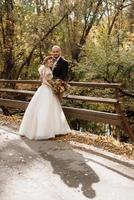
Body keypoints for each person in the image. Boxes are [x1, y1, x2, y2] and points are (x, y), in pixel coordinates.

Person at [19, 55, 71, 140]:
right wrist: (52, 86)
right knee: (45, 108)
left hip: (44, 89)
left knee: (50, 108)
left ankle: (54, 129)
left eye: (52, 62)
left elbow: (45, 80)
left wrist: (54, 85)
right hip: (46, 89)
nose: (51, 63)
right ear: (46, 62)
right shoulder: (46, 69)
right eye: (50, 62)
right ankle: (44, 131)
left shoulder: (45, 69)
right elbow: (44, 81)